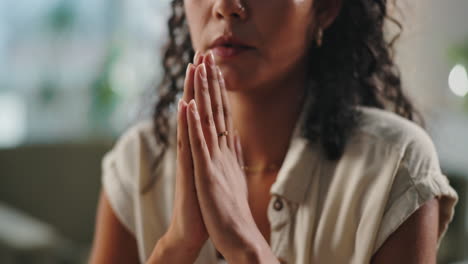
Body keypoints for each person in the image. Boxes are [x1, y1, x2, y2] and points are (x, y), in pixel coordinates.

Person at [88, 0, 459, 263]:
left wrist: (247, 247)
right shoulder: (139, 161)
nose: (227, 6)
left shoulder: (396, 166)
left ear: (326, 7)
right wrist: (178, 244)